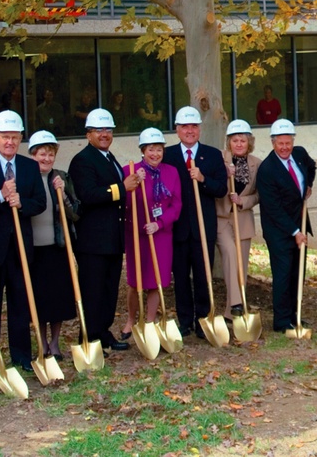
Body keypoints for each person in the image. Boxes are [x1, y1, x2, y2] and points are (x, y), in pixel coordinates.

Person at [0, 110, 46, 374]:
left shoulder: (29, 167)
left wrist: (22, 203)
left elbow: (39, 202)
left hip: (20, 249)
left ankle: (21, 355)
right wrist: (1, 196)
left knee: (20, 303)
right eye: (5, 137)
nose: (10, 143)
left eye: (14, 137)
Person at [68, 108, 139, 353]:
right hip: (92, 239)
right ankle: (88, 339)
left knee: (109, 289)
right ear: (88, 134)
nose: (104, 134)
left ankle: (103, 331)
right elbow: (88, 195)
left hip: (112, 237)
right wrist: (122, 187)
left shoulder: (109, 158)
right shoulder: (83, 160)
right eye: (99, 130)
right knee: (93, 290)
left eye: (108, 130)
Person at [162, 106, 228, 337]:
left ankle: (203, 318)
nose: (189, 131)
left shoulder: (212, 155)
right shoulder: (167, 156)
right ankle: (184, 320)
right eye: (184, 127)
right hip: (177, 228)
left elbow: (221, 189)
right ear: (177, 130)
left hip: (203, 227)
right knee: (180, 277)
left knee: (203, 274)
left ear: (199, 129)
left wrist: (202, 178)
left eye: (193, 126)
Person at [257, 119, 317, 332]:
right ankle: (282, 321)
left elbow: (312, 166)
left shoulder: (299, 154)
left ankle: (294, 314)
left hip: (299, 220)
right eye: (280, 143)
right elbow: (273, 208)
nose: (285, 147)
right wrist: (295, 232)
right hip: (279, 230)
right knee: (283, 274)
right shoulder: (267, 170)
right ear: (273, 143)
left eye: (288, 143)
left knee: (297, 272)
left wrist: (308, 184)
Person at [121, 128, 181, 337]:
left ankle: (149, 321)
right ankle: (131, 319)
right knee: (135, 280)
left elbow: (176, 204)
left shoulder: (171, 172)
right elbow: (124, 202)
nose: (155, 154)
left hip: (161, 234)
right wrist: (134, 183)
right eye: (150, 150)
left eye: (158, 149)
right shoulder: (130, 170)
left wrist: (161, 223)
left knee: (157, 280)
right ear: (142, 151)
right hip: (137, 235)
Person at [27, 130, 79, 360]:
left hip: (57, 246)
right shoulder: (25, 177)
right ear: (33, 155)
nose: (46, 159)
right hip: (33, 249)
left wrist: (63, 193)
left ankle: (55, 343)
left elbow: (75, 212)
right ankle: (42, 342)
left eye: (50, 154)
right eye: (41, 154)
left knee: (58, 298)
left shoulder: (62, 177)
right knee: (39, 298)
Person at [215, 120, 261, 319]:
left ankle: (231, 312)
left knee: (241, 266)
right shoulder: (219, 158)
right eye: (235, 140)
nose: (239, 144)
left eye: (243, 140)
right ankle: (237, 303)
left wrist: (243, 200)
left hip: (242, 219)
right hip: (222, 218)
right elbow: (212, 183)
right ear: (229, 142)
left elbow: (259, 194)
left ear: (249, 142)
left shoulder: (257, 163)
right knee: (230, 254)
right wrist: (225, 175)